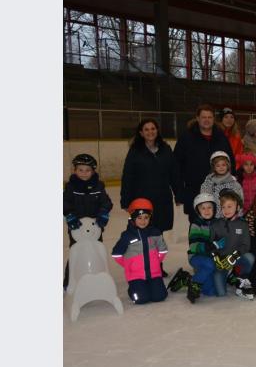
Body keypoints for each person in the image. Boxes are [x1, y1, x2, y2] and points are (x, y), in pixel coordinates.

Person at [174, 104, 234, 220]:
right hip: (195, 190)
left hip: (219, 189)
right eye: (203, 117)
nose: (207, 120)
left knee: (219, 224)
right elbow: (176, 165)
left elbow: (230, 162)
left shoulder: (221, 137)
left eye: (209, 117)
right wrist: (179, 192)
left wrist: (231, 185)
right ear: (197, 118)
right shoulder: (186, 138)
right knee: (197, 225)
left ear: (214, 119)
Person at [120, 118, 179, 234]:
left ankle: (157, 253)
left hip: (162, 199)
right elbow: (127, 176)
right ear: (141, 133)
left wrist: (178, 194)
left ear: (157, 130)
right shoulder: (135, 151)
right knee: (144, 231)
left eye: (153, 128)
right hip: (142, 199)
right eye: (146, 129)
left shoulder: (165, 149)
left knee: (158, 232)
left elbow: (174, 173)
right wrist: (125, 200)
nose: (150, 132)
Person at [63, 154, 113, 289]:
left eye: (87, 170)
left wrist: (103, 213)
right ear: (75, 170)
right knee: (76, 251)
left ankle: (99, 277)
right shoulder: (71, 187)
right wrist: (70, 215)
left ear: (93, 171)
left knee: (97, 251)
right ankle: (69, 281)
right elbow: (64, 202)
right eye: (80, 170)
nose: (84, 173)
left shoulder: (98, 186)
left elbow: (107, 202)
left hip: (95, 227)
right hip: (77, 228)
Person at [111, 198, 168, 304]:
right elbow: (116, 254)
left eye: (146, 217)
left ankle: (151, 287)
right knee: (141, 299)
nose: (143, 221)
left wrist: (156, 260)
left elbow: (163, 250)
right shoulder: (127, 236)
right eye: (139, 218)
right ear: (133, 218)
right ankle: (133, 289)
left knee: (160, 296)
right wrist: (129, 264)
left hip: (154, 273)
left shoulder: (155, 232)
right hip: (136, 275)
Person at [208, 190, 255, 300]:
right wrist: (216, 258)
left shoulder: (242, 224)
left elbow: (246, 245)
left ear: (237, 207)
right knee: (221, 293)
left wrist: (234, 256)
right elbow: (211, 245)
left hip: (235, 258)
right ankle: (229, 274)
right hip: (222, 262)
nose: (226, 210)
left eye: (229, 206)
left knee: (250, 257)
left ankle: (241, 279)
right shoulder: (215, 224)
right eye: (223, 207)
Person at [181, 193, 218, 303]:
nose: (206, 211)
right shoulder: (196, 224)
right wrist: (209, 247)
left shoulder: (216, 223)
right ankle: (194, 282)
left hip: (210, 258)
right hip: (196, 256)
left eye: (209, 207)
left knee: (210, 292)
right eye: (203, 208)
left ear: (214, 209)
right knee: (210, 264)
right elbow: (194, 246)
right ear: (198, 210)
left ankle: (187, 279)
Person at [200, 151, 243, 217]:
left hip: (231, 217)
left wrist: (238, 216)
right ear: (213, 167)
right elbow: (204, 200)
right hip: (215, 219)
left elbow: (240, 201)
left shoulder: (234, 183)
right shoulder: (208, 183)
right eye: (218, 165)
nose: (221, 167)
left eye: (223, 165)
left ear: (228, 165)